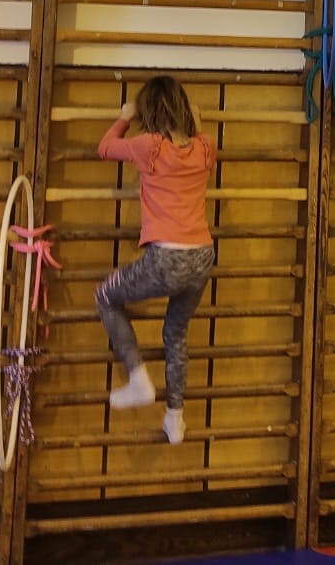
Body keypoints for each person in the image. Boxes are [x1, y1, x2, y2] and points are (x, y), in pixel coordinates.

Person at [94, 76, 215, 445]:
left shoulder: (149, 146)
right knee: (175, 333)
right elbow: (196, 133)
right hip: (202, 256)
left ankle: (138, 379)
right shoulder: (205, 147)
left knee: (106, 297)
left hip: (167, 257)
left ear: (148, 111)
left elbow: (104, 148)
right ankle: (175, 418)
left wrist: (124, 116)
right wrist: (195, 121)